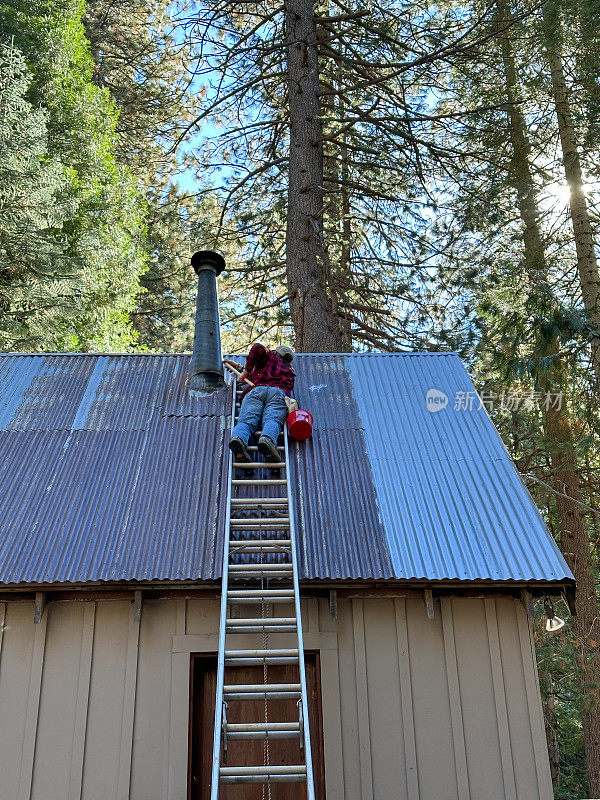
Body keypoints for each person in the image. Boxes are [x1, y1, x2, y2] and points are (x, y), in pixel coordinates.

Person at [228, 343, 295, 463]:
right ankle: (267, 440)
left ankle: (238, 439)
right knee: (272, 420)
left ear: (277, 352)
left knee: (246, 421)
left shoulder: (269, 356)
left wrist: (247, 371)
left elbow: (257, 348)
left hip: (256, 391)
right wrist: (243, 370)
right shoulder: (290, 371)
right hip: (278, 393)